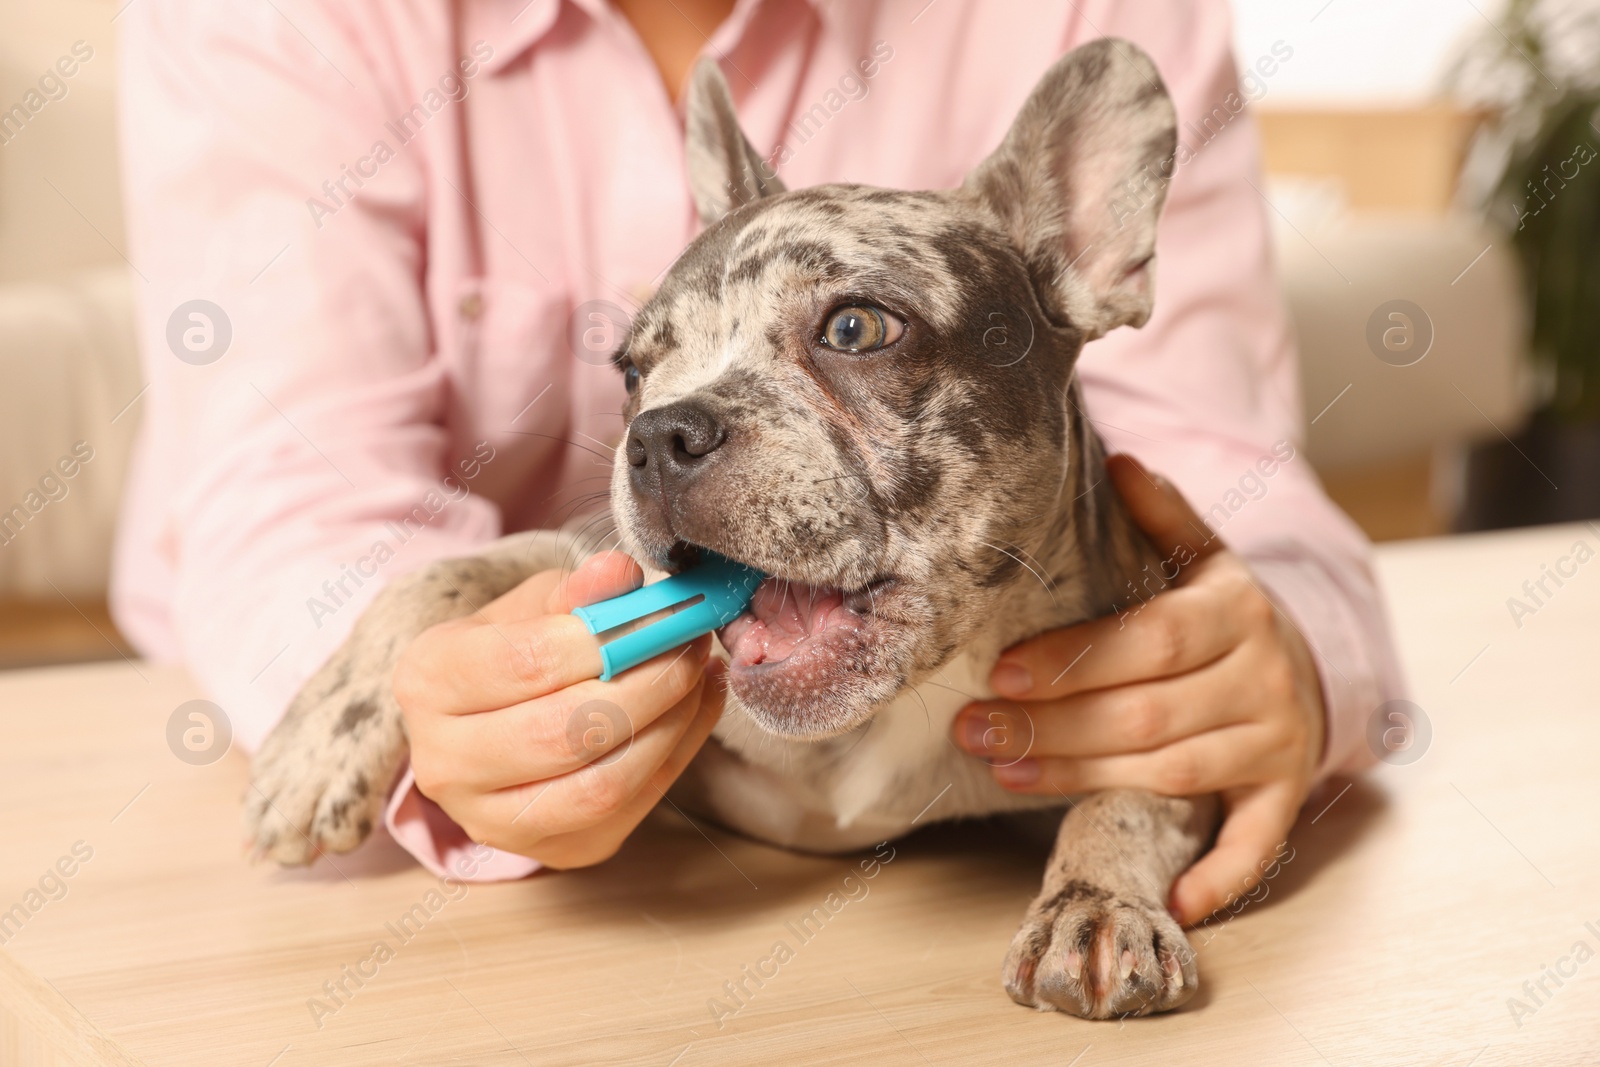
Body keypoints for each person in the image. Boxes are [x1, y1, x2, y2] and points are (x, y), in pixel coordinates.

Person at [114, 0, 1406, 920]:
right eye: (647, 375)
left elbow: (1223, 467)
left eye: (853, 332)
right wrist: (423, 679)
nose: (669, 430)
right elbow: (279, 491)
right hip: (594, 884)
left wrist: (1284, 647)